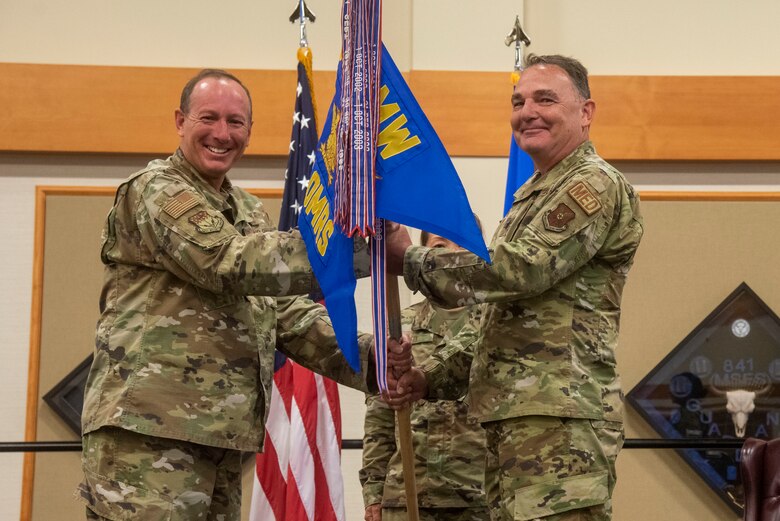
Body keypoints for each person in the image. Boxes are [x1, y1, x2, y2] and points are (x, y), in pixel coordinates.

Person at [76, 69, 409, 521]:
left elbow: (287, 318)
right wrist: (361, 249)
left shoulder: (249, 211)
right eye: (208, 118)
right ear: (180, 121)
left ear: (250, 131)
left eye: (235, 122)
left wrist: (374, 362)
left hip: (222, 438)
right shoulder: (155, 189)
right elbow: (225, 262)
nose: (221, 133)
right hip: (148, 433)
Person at [384, 54, 644, 521]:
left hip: (560, 425)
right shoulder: (532, 196)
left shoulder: (593, 184)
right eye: (518, 100)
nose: (528, 111)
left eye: (546, 99)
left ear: (586, 113)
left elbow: (519, 269)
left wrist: (412, 259)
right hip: (512, 424)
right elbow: (493, 322)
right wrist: (429, 378)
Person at [360, 231, 489, 521]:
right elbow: (380, 416)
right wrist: (374, 493)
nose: (448, 257)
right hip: (406, 495)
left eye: (462, 246)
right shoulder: (399, 326)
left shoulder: (497, 323)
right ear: (422, 256)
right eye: (439, 247)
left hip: (480, 497)